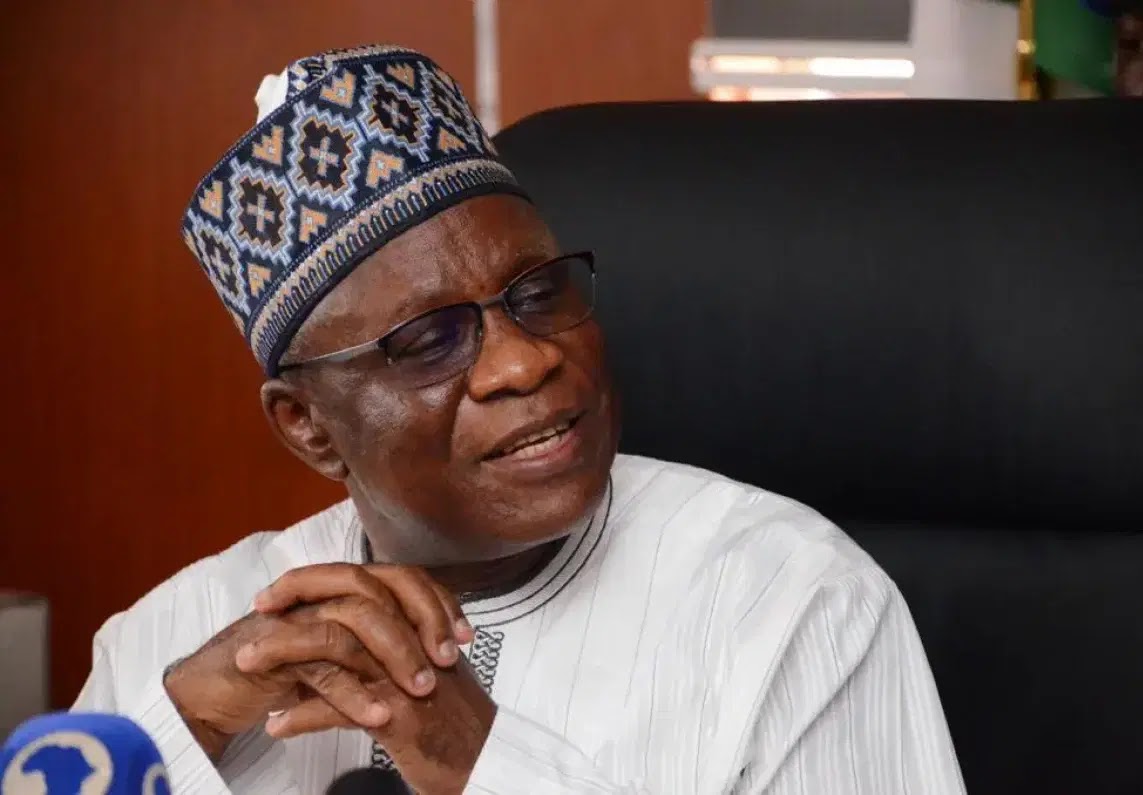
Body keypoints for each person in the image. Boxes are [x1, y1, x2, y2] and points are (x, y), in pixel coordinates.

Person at [73, 45, 965, 794]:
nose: (524, 362)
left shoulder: (795, 606)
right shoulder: (167, 645)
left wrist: (484, 764)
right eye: (429, 340)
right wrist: (178, 733)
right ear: (308, 424)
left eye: (539, 294)